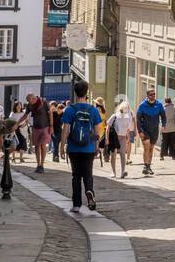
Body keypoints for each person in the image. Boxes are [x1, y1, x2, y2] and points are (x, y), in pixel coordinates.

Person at [60, 83, 102, 214]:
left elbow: (65, 130)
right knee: (88, 173)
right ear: (86, 93)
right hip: (88, 147)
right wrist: (96, 147)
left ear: (75, 93)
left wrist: (62, 146)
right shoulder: (93, 110)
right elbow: (97, 131)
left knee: (76, 176)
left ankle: (77, 204)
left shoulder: (69, 110)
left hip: (74, 148)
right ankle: (89, 191)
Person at [136, 87, 165, 175]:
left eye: (154, 94)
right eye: (151, 94)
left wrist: (163, 125)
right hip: (145, 129)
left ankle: (148, 166)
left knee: (151, 148)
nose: (153, 96)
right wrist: (140, 131)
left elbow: (163, 116)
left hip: (154, 130)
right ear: (147, 95)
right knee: (147, 147)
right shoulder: (142, 105)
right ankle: (146, 166)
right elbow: (138, 119)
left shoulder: (159, 104)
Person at [22, 93, 52, 173]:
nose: (29, 102)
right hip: (35, 127)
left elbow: (50, 113)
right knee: (36, 146)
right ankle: (38, 165)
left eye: (29, 101)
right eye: (28, 101)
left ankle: (42, 164)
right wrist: (17, 123)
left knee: (42, 145)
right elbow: (25, 115)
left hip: (45, 127)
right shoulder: (29, 105)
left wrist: (51, 125)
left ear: (33, 98)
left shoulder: (44, 102)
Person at [107, 99, 134, 177]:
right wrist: (107, 138)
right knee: (113, 154)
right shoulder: (115, 116)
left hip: (122, 137)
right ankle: (113, 172)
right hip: (114, 137)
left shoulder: (127, 117)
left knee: (122, 154)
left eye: (126, 108)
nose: (125, 110)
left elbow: (128, 129)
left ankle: (123, 171)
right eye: (124, 108)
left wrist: (128, 137)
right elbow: (108, 127)